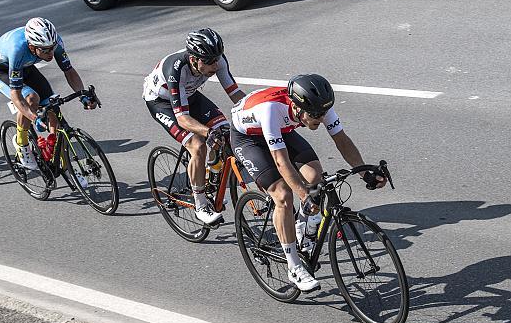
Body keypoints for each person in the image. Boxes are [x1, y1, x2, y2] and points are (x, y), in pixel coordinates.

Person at [230, 74, 387, 292]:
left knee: (316, 178)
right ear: (296, 107)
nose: (320, 119)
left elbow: (341, 140)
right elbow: (281, 162)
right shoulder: (271, 111)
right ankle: (294, 267)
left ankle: (303, 228)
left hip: (282, 131)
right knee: (284, 195)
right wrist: (304, 196)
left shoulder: (319, 107)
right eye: (314, 115)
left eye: (323, 114)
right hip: (248, 138)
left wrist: (364, 173)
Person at [143, 28, 246, 225]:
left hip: (188, 95)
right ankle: (200, 205)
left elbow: (235, 94)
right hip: (161, 102)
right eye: (208, 62)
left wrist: (256, 111)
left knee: (227, 135)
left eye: (216, 59)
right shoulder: (175, 69)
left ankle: (211, 178)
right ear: (193, 59)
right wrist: (208, 132)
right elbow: (182, 119)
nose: (215, 65)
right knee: (198, 145)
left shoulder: (217, 61)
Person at [0, 17, 96, 171]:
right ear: (32, 47)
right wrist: (34, 117)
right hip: (0, 70)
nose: (51, 53)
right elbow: (17, 97)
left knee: (52, 105)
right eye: (45, 50)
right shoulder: (17, 50)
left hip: (26, 65)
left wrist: (82, 95)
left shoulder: (52, 42)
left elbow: (69, 71)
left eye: (52, 48)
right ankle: (21, 142)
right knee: (31, 98)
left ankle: (62, 162)